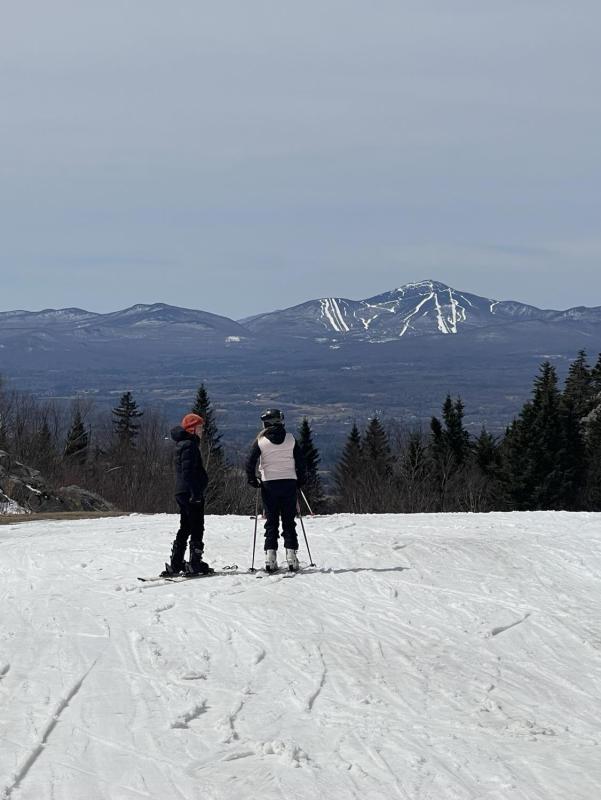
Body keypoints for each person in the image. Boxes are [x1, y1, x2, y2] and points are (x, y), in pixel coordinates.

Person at [246, 409, 306, 572]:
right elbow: (301, 462)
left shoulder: (260, 441)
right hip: (289, 483)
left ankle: (270, 557)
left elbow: (249, 462)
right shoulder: (291, 439)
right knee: (289, 521)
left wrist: (253, 480)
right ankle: (291, 557)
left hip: (269, 485)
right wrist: (300, 480)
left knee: (271, 521)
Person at [161, 412, 210, 576]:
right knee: (196, 526)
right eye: (200, 427)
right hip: (190, 492)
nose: (202, 431)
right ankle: (195, 562)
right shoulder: (189, 445)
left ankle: (176, 562)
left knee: (186, 526)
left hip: (181, 491)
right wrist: (195, 492)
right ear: (193, 429)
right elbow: (188, 471)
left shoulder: (184, 444)